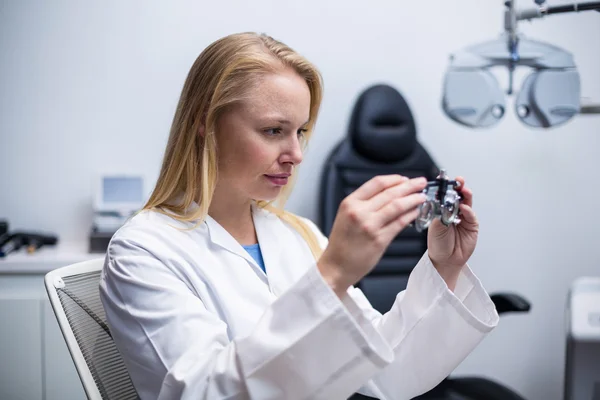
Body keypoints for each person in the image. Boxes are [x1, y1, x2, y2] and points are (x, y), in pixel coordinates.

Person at [99, 32, 499, 400]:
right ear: (206, 123)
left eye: (300, 132)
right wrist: (333, 276)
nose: (297, 154)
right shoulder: (143, 251)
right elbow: (205, 392)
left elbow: (385, 371)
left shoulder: (297, 235)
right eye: (274, 130)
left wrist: (443, 267)